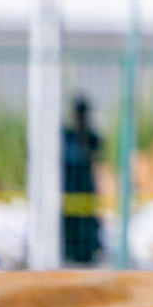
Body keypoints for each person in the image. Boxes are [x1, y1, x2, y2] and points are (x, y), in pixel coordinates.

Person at [62, 95, 102, 264]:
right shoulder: (67, 136)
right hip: (70, 189)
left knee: (86, 224)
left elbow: (94, 161)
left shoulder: (91, 137)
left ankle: (85, 251)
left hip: (85, 189)